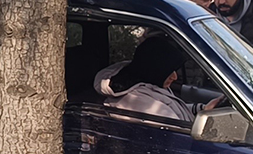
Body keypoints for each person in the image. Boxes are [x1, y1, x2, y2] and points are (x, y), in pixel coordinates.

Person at [94, 35, 222, 123]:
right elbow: (177, 130)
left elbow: (173, 109)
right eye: (169, 71)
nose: (175, 77)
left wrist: (203, 110)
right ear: (154, 69)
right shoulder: (137, 101)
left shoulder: (150, 84)